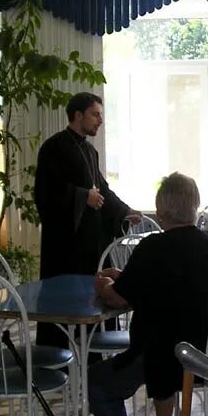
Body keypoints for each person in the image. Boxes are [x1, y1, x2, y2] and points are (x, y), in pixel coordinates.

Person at [88, 172, 208, 416]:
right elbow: (171, 282)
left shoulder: (153, 247)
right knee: (162, 338)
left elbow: (117, 298)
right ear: (194, 207)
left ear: (161, 211)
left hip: (168, 358)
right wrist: (127, 278)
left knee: (96, 382)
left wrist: (105, 285)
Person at [34, 92, 141, 347]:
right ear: (78, 115)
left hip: (91, 243)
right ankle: (61, 350)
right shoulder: (53, 148)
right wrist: (83, 197)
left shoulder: (89, 151)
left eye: (101, 115)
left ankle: (93, 350)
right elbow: (46, 193)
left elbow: (102, 189)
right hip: (65, 246)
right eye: (95, 114)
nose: (100, 121)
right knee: (66, 303)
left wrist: (126, 211)